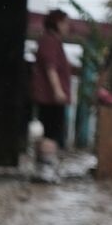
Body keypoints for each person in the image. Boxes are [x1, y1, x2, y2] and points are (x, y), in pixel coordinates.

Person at [30, 9, 73, 168]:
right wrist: (58, 90)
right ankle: (45, 168)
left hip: (49, 96)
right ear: (57, 23)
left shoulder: (51, 40)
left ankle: (43, 166)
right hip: (50, 97)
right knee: (51, 131)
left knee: (49, 130)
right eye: (65, 23)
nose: (68, 26)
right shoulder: (50, 41)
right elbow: (50, 68)